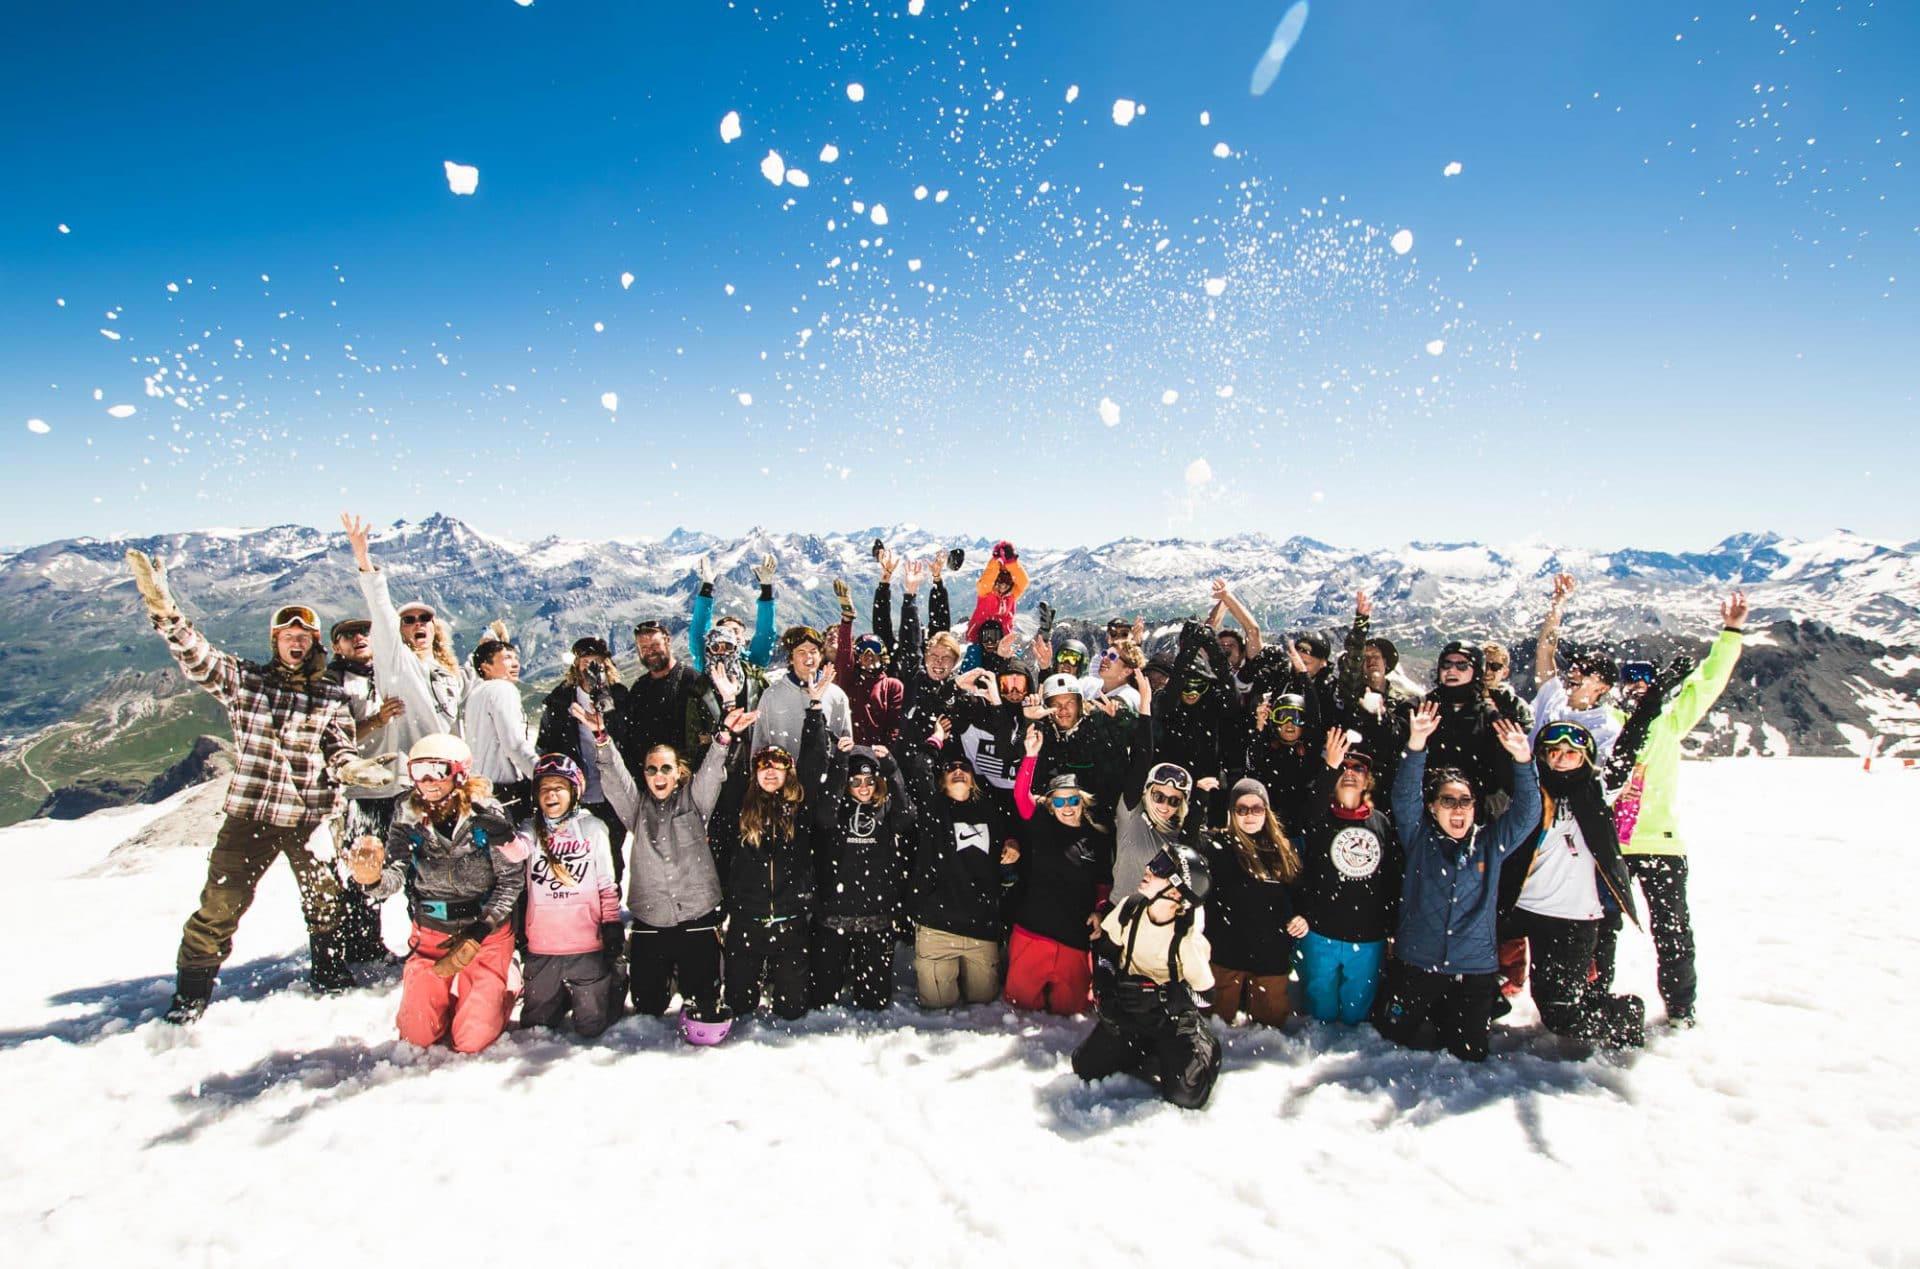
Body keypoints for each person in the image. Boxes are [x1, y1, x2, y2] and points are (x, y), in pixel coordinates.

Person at [127, 551, 392, 1024]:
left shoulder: (329, 694)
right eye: (288, 636)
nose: (296, 642)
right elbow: (199, 657)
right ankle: (191, 994)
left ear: (314, 643)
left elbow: (339, 744)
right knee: (220, 906)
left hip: (311, 817)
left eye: (304, 637)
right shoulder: (247, 681)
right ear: (276, 641)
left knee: (325, 902)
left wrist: (353, 769)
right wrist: (166, 613)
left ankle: (330, 971)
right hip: (252, 815)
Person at [1593, 592, 1749, 1027]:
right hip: (1611, 847)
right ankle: (1594, 996)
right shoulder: (1608, 728)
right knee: (1602, 930)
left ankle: (1681, 1005)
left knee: (1672, 929)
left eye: (1646, 678)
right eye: (1631, 679)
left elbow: (1708, 682)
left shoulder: (1668, 720)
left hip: (1660, 843)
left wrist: (1731, 632)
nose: (1639, 684)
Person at [1371, 701, 1541, 1062]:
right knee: (1395, 1034)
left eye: (1465, 801)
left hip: (1473, 968)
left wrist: (1524, 763)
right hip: (1419, 962)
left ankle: (1470, 1011)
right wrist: (1417, 743)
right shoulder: (1419, 838)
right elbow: (1403, 796)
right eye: (1448, 801)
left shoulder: (1490, 843)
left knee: (1469, 1051)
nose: (1458, 808)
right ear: (1433, 807)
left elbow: (1527, 814)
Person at [345, 734, 525, 1053]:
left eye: (436, 769)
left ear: (459, 772)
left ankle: (507, 976)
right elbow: (397, 872)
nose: (426, 781)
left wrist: (479, 931)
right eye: (417, 770)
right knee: (418, 1035)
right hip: (432, 931)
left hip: (484, 931)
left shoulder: (486, 814)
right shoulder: (408, 811)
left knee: (471, 1040)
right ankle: (456, 993)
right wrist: (372, 879)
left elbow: (511, 880)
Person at [581, 697, 744, 1043]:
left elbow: (713, 772)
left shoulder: (695, 801)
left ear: (678, 773)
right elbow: (614, 780)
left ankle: (691, 975)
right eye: (652, 769)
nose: (659, 775)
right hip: (652, 919)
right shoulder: (636, 810)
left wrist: (724, 737)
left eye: (666, 768)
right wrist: (602, 741)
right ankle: (659, 976)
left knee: (703, 997)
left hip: (697, 914)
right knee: (647, 1005)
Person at [1497, 721, 1645, 1048]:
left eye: (1571, 753)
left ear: (1585, 757)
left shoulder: (1597, 790)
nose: (1562, 759)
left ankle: (1624, 1013)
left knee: (1560, 1015)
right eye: (1555, 753)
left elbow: (1627, 747)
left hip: (1571, 919)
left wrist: (1651, 703)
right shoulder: (1531, 791)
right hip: (1518, 908)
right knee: (1471, 980)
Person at [1072, 844, 1222, 1110]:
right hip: (1129, 1012)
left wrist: (1162, 994)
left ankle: (1203, 1045)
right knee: (1085, 1067)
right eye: (1155, 861)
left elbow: (1205, 996)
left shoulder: (1187, 939)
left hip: (1171, 1020)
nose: (1148, 869)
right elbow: (1107, 948)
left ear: (1175, 891)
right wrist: (1105, 989)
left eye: (1161, 868)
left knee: (1186, 1096)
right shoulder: (1132, 907)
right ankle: (1139, 1046)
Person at [720, 675, 834, 1021]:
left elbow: (815, 762)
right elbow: (729, 767)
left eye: (779, 765)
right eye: (763, 765)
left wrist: (815, 708)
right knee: (739, 1006)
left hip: (790, 920)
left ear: (789, 773)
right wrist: (732, 728)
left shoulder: (800, 807)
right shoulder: (739, 805)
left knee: (792, 1010)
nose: (770, 771)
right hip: (746, 920)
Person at [1292, 730, 1398, 1024]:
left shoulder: (1381, 824)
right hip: (1320, 933)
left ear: (1368, 780)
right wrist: (1329, 767)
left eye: (1358, 768)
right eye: (1343, 768)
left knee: (1356, 1016)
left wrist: (1391, 928)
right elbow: (1310, 806)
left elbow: (1391, 879)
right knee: (1320, 1015)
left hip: (1367, 938)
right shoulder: (1319, 817)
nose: (1349, 773)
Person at [514, 754, 625, 1038]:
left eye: (559, 787)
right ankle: (555, 993)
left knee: (591, 1027)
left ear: (574, 792)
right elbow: (516, 851)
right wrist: (497, 830)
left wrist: (611, 924)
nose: (551, 794)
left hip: (586, 943)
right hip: (544, 945)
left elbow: (605, 882)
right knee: (536, 1027)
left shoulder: (592, 828)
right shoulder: (530, 829)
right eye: (544, 788)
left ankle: (612, 983)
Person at [1004, 730, 1113, 1015]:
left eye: (1073, 801)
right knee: (1019, 1010)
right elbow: (1021, 797)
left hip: (1073, 940)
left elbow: (1103, 883)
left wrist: (1100, 910)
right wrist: (1030, 756)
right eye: (1060, 802)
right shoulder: (1042, 825)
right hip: (1033, 934)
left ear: (1082, 802)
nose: (1067, 808)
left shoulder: (1096, 838)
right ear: (1051, 805)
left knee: (1073, 1012)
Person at [909, 724, 1018, 1008]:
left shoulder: (991, 811)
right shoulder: (934, 811)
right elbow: (920, 767)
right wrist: (935, 739)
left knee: (983, 1001)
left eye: (964, 768)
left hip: (981, 927)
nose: (958, 770)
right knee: (936, 1006)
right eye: (951, 768)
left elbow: (1016, 829)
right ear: (942, 781)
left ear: (973, 780)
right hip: (937, 927)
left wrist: (1012, 843)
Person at [341, 513, 464, 765]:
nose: (417, 622)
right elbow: (382, 611)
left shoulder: (451, 672)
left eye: (424, 618)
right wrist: (364, 561)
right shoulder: (398, 661)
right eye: (408, 620)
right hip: (409, 776)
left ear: (434, 627)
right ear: (400, 631)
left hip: (449, 772)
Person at [324, 615, 409, 965]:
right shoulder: (333, 682)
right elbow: (331, 738)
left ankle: (418, 935)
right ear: (336, 646)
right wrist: (377, 720)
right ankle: (361, 945)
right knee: (363, 866)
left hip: (401, 785)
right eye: (348, 635)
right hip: (360, 793)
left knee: (409, 864)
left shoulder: (390, 670)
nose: (359, 638)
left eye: (364, 632)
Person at [810, 738, 918, 1010]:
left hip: (876, 918)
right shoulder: (835, 808)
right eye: (856, 782)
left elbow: (906, 816)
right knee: (822, 999)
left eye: (869, 782)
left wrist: (892, 769)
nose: (864, 788)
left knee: (875, 1001)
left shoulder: (885, 807)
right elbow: (823, 814)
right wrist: (840, 763)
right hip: (834, 917)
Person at [1194, 777, 1304, 1027]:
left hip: (1270, 953)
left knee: (1271, 1027)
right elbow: (1188, 842)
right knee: (1215, 1025)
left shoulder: (1282, 849)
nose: (1250, 816)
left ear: (1266, 811)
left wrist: (1301, 915)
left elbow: (1299, 892)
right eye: (1242, 809)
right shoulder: (1217, 844)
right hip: (1225, 952)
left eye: (1256, 809)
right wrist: (1200, 799)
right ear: (1232, 813)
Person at [535, 636, 632, 873]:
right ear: (576, 665)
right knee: (576, 851)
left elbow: (629, 740)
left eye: (596, 662)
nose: (590, 667)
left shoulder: (619, 697)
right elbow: (545, 746)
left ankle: (611, 901)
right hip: (575, 791)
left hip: (613, 790)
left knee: (612, 852)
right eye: (585, 661)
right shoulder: (559, 701)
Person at [1530, 574, 1623, 761]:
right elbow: (1545, 649)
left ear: (1603, 688)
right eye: (1575, 666)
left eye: (1586, 671)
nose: (1575, 671)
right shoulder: (1552, 698)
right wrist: (1559, 602)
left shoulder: (1607, 728)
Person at [463, 632, 538, 821]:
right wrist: (542, 775)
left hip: (480, 787)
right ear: (486, 667)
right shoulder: (502, 689)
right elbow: (514, 745)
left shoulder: (476, 693)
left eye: (516, 658)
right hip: (506, 791)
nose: (515, 664)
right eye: (506, 658)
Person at [751, 625, 854, 756]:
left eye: (813, 651)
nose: (808, 657)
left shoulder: (836, 695)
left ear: (821, 656)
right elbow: (759, 743)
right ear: (791, 659)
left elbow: (846, 744)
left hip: (827, 773)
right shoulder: (772, 695)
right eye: (801, 652)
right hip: (784, 773)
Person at [619, 618, 701, 769]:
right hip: (649, 777)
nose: (650, 651)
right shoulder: (639, 687)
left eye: (655, 645)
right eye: (643, 647)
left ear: (668, 642)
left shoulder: (692, 680)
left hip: (687, 775)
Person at [688, 552, 778, 673]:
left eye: (735, 631)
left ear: (743, 639)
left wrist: (766, 589)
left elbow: (766, 634)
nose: (730, 635)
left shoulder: (753, 662)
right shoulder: (706, 661)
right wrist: (707, 586)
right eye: (724, 631)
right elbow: (697, 634)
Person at [964, 540, 1027, 644]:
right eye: (999, 581)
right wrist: (996, 561)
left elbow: (1023, 581)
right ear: (994, 581)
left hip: (1002, 640)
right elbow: (987, 580)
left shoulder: (1011, 595)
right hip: (979, 639)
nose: (1003, 585)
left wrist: (1011, 563)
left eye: (1007, 581)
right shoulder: (986, 593)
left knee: (1014, 658)